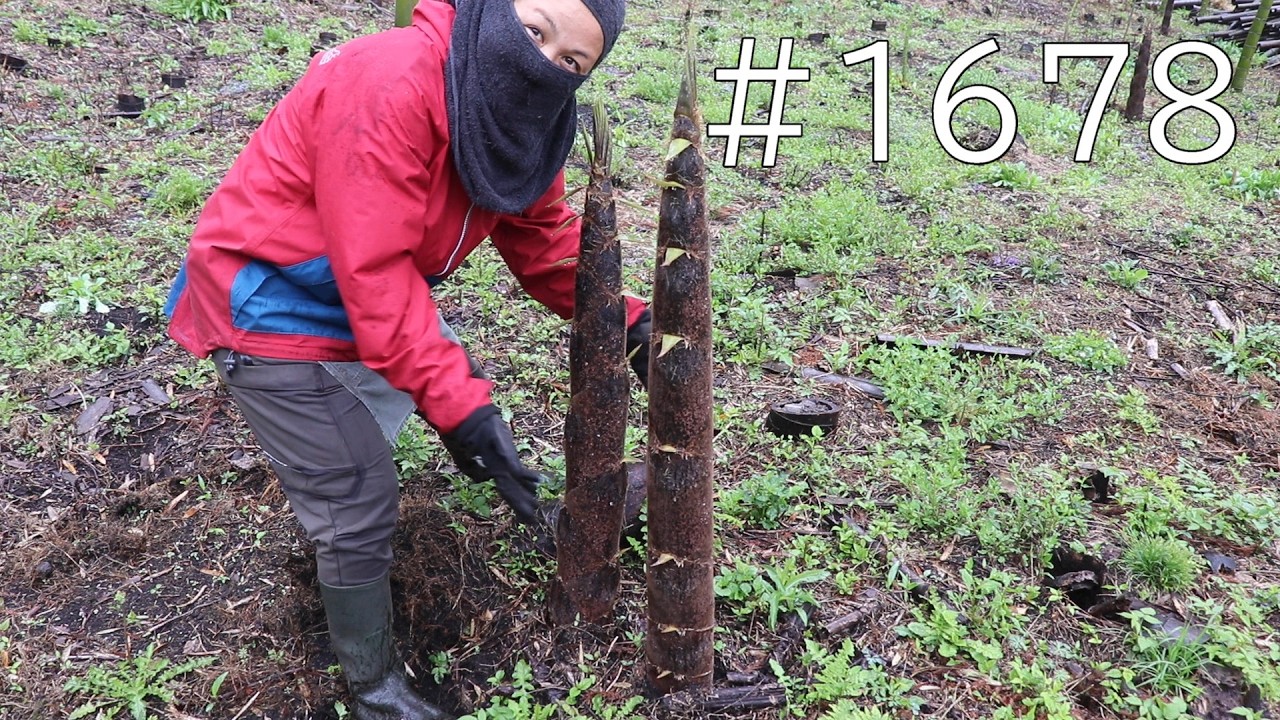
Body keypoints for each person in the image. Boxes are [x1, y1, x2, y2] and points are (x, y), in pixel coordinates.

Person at [163, 0, 650, 716]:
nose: (543, 64)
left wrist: (631, 322)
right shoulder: (391, 80)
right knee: (356, 503)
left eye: (570, 63)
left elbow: (543, 239)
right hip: (270, 301)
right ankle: (373, 687)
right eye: (535, 30)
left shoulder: (528, 123)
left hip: (366, 295)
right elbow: (374, 272)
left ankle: (402, 446)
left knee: (451, 388)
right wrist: (456, 408)